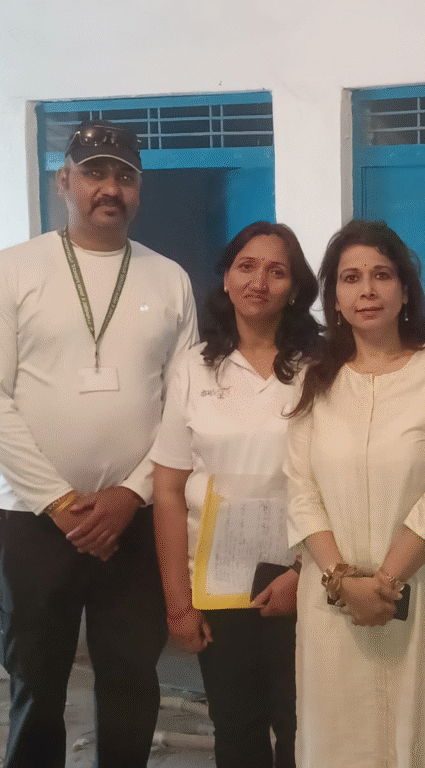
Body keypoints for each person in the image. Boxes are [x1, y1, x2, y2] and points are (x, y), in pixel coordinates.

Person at [0, 120, 198, 768]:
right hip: (35, 519)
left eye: (125, 176)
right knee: (37, 687)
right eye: (94, 172)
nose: (110, 188)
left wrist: (130, 495)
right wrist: (61, 502)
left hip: (135, 522)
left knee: (131, 683)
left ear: (139, 190)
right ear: (63, 181)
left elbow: (184, 406)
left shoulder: (169, 279)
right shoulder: (10, 270)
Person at [286, 220, 425, 768]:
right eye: (350, 278)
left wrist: (385, 585)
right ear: (334, 298)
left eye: (381, 275)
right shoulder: (314, 378)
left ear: (405, 290)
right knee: (340, 744)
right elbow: (300, 491)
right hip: (333, 604)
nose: (367, 290)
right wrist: (342, 581)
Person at [151, 221, 322, 768]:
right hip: (219, 584)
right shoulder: (193, 367)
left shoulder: (323, 366)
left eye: (277, 271)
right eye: (246, 267)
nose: (259, 282)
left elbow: (343, 483)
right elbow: (168, 490)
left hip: (307, 575)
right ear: (225, 279)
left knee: (305, 728)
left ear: (294, 289)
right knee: (237, 727)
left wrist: (305, 572)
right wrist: (179, 604)